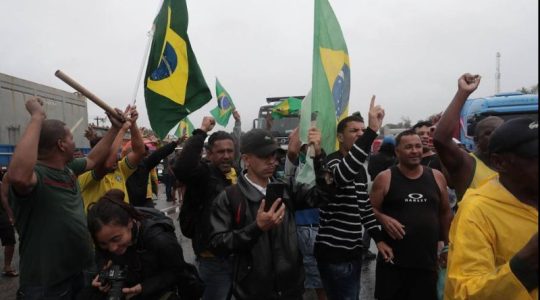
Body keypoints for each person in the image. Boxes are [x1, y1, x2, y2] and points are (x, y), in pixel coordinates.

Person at [7, 97, 125, 299]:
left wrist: (114, 129)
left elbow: (94, 158)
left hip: (77, 273)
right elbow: (17, 176)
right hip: (46, 285)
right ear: (61, 145)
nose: (74, 141)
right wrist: (37, 116)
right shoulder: (37, 176)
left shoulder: (68, 169)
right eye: (71, 137)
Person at [208, 127, 335, 299]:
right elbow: (218, 244)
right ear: (247, 159)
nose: (272, 161)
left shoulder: (286, 188)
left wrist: (319, 156)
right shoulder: (230, 197)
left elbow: (324, 195)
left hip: (291, 288)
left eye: (273, 155)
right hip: (253, 291)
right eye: (264, 156)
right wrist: (257, 228)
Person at [444, 117, 538, 300]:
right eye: (536, 158)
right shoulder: (476, 212)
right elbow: (464, 293)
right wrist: (524, 266)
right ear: (499, 163)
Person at [314, 96, 391, 300]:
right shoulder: (331, 164)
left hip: (353, 252)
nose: (359, 134)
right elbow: (341, 176)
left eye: (362, 131)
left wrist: (379, 239)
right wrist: (372, 131)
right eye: (354, 131)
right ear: (340, 137)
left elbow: (364, 207)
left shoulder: (359, 168)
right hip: (334, 254)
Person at [370, 130, 452, 300]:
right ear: (397, 152)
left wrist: (447, 246)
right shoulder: (385, 178)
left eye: (418, 146)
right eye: (408, 147)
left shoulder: (436, 177)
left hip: (427, 262)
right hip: (393, 262)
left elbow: (445, 213)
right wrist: (382, 218)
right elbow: (369, 210)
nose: (415, 151)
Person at [84, 189, 203, 300]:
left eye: (116, 239)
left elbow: (177, 271)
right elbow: (101, 256)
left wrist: (144, 287)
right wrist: (102, 275)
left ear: (130, 223)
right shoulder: (105, 243)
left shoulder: (160, 241)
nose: (112, 248)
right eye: (104, 243)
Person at [173, 116, 238, 300]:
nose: (226, 156)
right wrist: (201, 132)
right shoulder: (203, 174)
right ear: (209, 154)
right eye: (220, 152)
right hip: (213, 260)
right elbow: (182, 168)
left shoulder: (235, 174)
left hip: (236, 256)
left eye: (230, 151)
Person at [433, 73, 504, 201]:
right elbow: (441, 139)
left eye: (500, 131)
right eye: (488, 133)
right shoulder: (467, 164)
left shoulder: (513, 164)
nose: (495, 136)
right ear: (476, 140)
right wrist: (463, 93)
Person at [78, 106, 146, 211]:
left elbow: (139, 152)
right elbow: (107, 165)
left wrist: (133, 124)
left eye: (116, 153)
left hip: (124, 225)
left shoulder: (121, 169)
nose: (116, 157)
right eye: (113, 153)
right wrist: (121, 129)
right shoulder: (85, 176)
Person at [286, 128, 327, 300]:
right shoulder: (303, 166)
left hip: (311, 226)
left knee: (317, 275)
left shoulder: (313, 164)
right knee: (318, 277)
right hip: (307, 226)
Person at [124, 138, 181, 207]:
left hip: (145, 201)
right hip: (127, 206)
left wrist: (174, 144)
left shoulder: (145, 164)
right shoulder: (121, 167)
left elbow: (159, 154)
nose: (143, 154)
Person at [0, 175, 18, 277]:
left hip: (3, 216)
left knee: (10, 241)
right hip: (4, 215)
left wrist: (11, 215)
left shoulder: (2, 185)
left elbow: (6, 199)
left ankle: (7, 267)